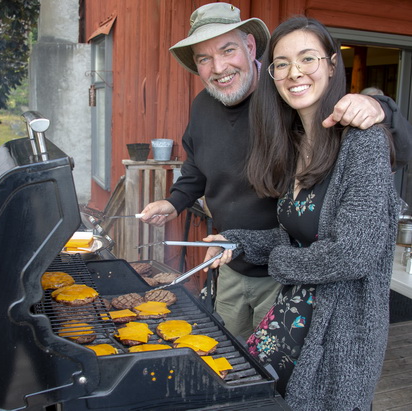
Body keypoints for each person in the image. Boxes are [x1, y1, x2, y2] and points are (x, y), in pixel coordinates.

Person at [140, 2, 412, 341]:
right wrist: (174, 201)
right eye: (204, 58)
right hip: (233, 257)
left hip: (291, 273)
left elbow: (386, 144)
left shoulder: (290, 96)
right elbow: (196, 164)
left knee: (276, 363)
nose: (219, 67)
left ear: (250, 46)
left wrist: (379, 105)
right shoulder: (203, 105)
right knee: (228, 351)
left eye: (227, 50)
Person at [203, 15, 398, 410]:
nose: (295, 73)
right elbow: (292, 236)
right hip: (290, 315)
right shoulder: (295, 146)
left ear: (331, 65)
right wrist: (237, 242)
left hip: (337, 334)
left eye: (307, 59)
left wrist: (277, 261)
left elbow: (353, 254)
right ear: (272, 75)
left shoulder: (363, 142)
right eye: (282, 63)